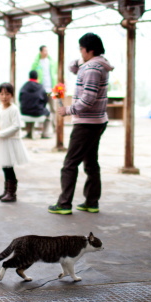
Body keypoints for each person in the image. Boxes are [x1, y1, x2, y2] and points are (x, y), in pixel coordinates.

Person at [48, 33, 113, 215]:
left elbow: (88, 99)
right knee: (91, 162)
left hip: (87, 123)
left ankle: (64, 204)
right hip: (97, 121)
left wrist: (68, 110)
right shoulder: (96, 65)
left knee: (70, 163)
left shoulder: (92, 68)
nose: (79, 52)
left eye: (81, 49)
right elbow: (72, 66)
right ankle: (91, 202)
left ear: (89, 50)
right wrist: (82, 60)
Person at [0, 82, 29, 203]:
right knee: (4, 166)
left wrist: (1, 133)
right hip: (2, 141)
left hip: (11, 142)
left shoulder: (14, 109)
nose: (4, 96)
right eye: (1, 94)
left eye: (7, 94)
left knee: (9, 167)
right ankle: (6, 190)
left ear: (12, 95)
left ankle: (11, 193)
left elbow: (16, 126)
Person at [18, 70, 51, 139]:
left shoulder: (24, 87)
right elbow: (45, 100)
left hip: (25, 112)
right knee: (48, 114)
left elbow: (20, 99)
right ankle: (45, 133)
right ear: (37, 77)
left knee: (28, 109)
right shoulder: (41, 87)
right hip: (38, 112)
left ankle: (29, 133)